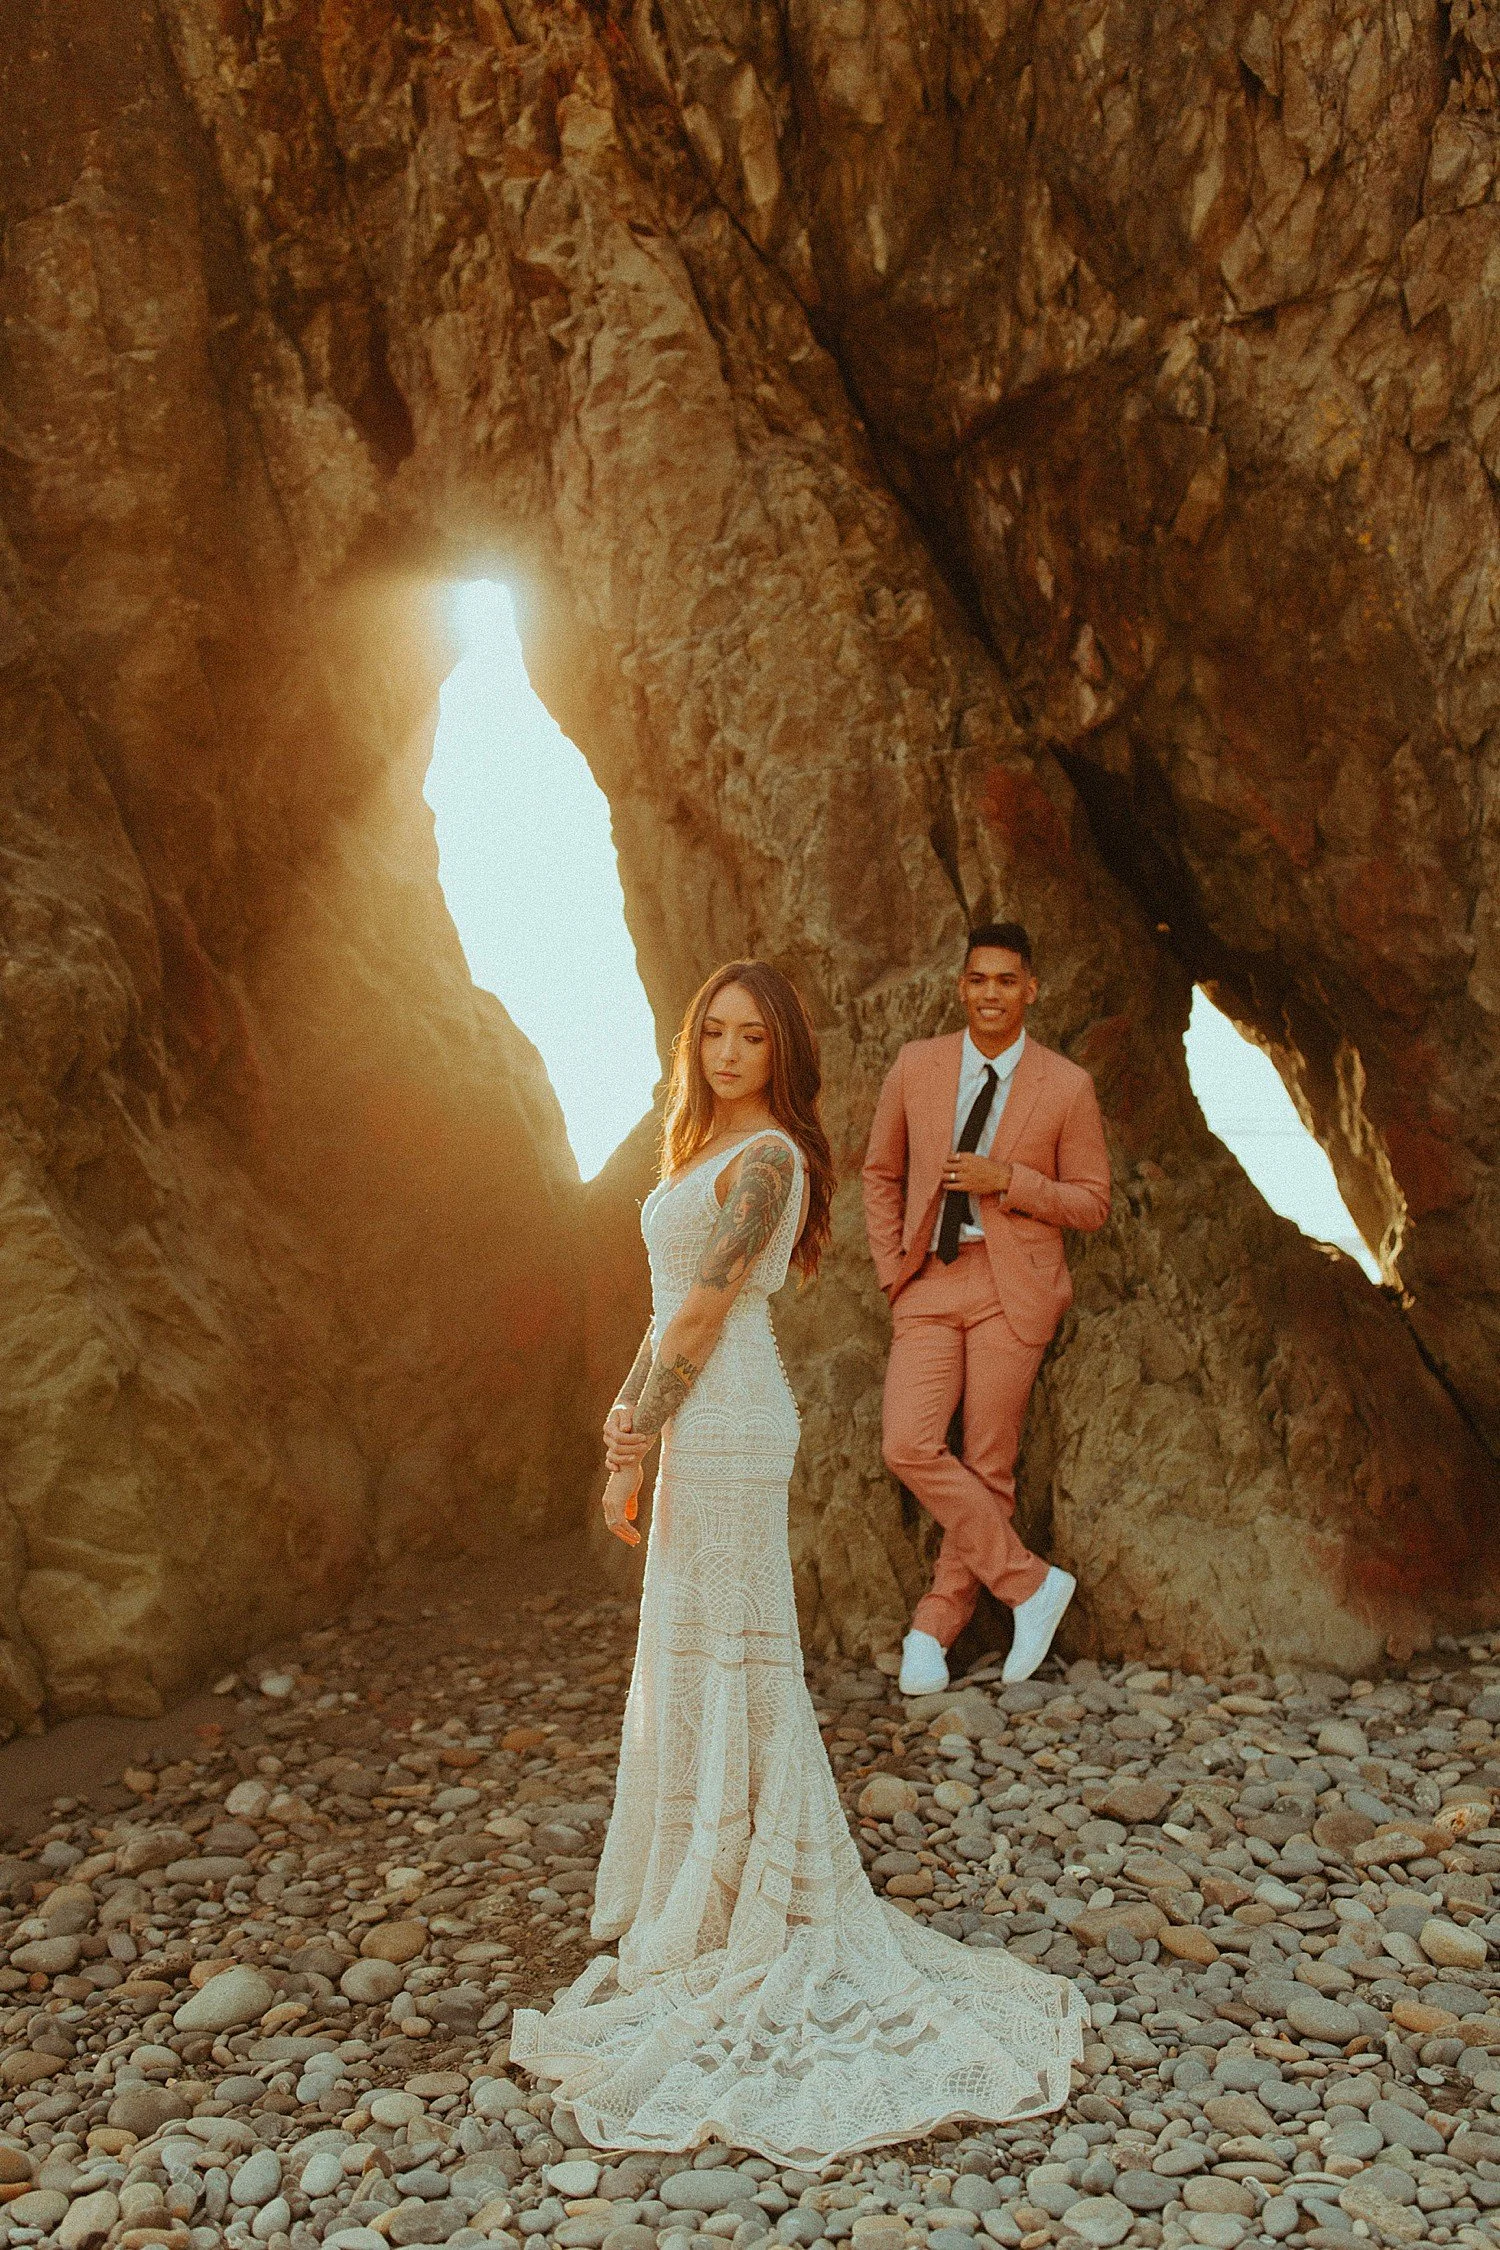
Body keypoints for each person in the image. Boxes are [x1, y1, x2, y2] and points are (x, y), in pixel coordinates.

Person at [510, 959, 1084, 2165]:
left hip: (730, 1424)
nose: (727, 1055)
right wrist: (624, 1443)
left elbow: (707, 1319)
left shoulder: (769, 1160)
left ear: (780, 1055)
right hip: (691, 1417)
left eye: (750, 1039)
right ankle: (710, 1887)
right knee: (694, 1650)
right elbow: (664, 1308)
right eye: (710, 1033)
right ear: (693, 1044)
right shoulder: (703, 1151)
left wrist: (638, 1437)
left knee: (732, 1659)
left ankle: (746, 1901)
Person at [862, 923, 1111, 1698]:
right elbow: (880, 1171)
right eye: (979, 980)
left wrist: (1010, 1179)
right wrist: (890, 1273)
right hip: (930, 1280)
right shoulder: (918, 1066)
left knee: (989, 1465)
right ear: (961, 987)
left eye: (1008, 980)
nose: (992, 993)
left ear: (1031, 989)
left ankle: (933, 1630)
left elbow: (1093, 1204)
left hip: (1015, 1285)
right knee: (909, 1444)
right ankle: (1031, 1584)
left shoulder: (1066, 1086)